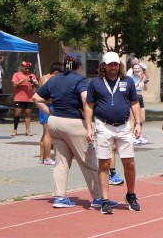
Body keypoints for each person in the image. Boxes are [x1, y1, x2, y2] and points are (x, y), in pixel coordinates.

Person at [33, 53, 109, 209]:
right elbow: (85, 98)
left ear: (63, 65)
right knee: (88, 162)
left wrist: (50, 113)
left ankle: (59, 197)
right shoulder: (80, 80)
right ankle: (98, 198)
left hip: (55, 122)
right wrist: (89, 123)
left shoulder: (54, 79)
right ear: (79, 66)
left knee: (61, 162)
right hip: (74, 123)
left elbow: (36, 98)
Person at [84, 52, 143, 214]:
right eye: (110, 64)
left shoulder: (127, 81)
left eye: (115, 64)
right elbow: (89, 105)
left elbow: (134, 102)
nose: (113, 67)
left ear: (119, 65)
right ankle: (105, 199)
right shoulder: (95, 83)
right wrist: (89, 127)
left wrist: (138, 123)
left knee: (129, 162)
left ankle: (131, 195)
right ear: (103, 65)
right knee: (104, 163)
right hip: (103, 126)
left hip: (123, 126)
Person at [36, 63, 62, 165]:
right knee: (48, 133)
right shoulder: (47, 79)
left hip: (44, 107)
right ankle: (47, 158)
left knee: (45, 133)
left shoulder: (43, 78)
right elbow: (46, 96)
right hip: (47, 107)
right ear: (55, 72)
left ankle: (42, 157)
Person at [11, 61, 39, 137]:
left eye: (28, 68)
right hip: (19, 98)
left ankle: (28, 130)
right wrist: (24, 80)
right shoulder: (16, 74)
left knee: (28, 113)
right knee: (17, 113)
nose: (27, 70)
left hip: (29, 98)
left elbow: (37, 85)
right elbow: (14, 85)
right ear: (22, 67)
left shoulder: (32, 75)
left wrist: (33, 82)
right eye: (25, 68)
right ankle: (15, 130)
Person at [129, 61, 149, 145]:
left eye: (138, 68)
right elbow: (132, 88)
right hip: (133, 98)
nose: (137, 70)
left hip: (140, 97)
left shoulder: (141, 76)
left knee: (142, 119)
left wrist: (144, 82)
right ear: (133, 69)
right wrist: (139, 80)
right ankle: (132, 136)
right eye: (135, 68)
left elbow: (145, 89)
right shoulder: (130, 78)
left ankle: (138, 135)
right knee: (133, 119)